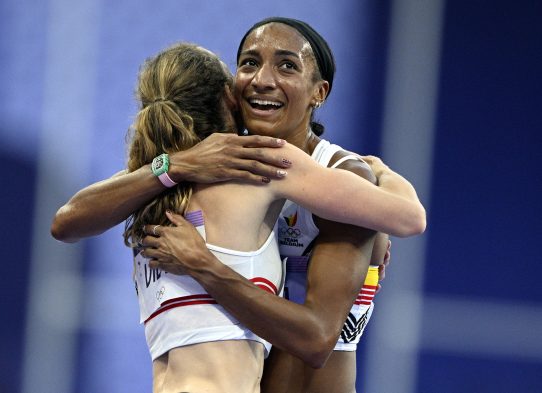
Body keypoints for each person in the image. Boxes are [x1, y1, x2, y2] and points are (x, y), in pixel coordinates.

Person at [51, 19, 425, 393]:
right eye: (248, 63)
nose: (262, 78)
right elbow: (68, 221)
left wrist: (383, 172)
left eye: (286, 65)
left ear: (319, 92)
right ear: (230, 94)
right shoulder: (213, 168)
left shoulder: (329, 172)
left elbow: (318, 337)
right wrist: (175, 165)